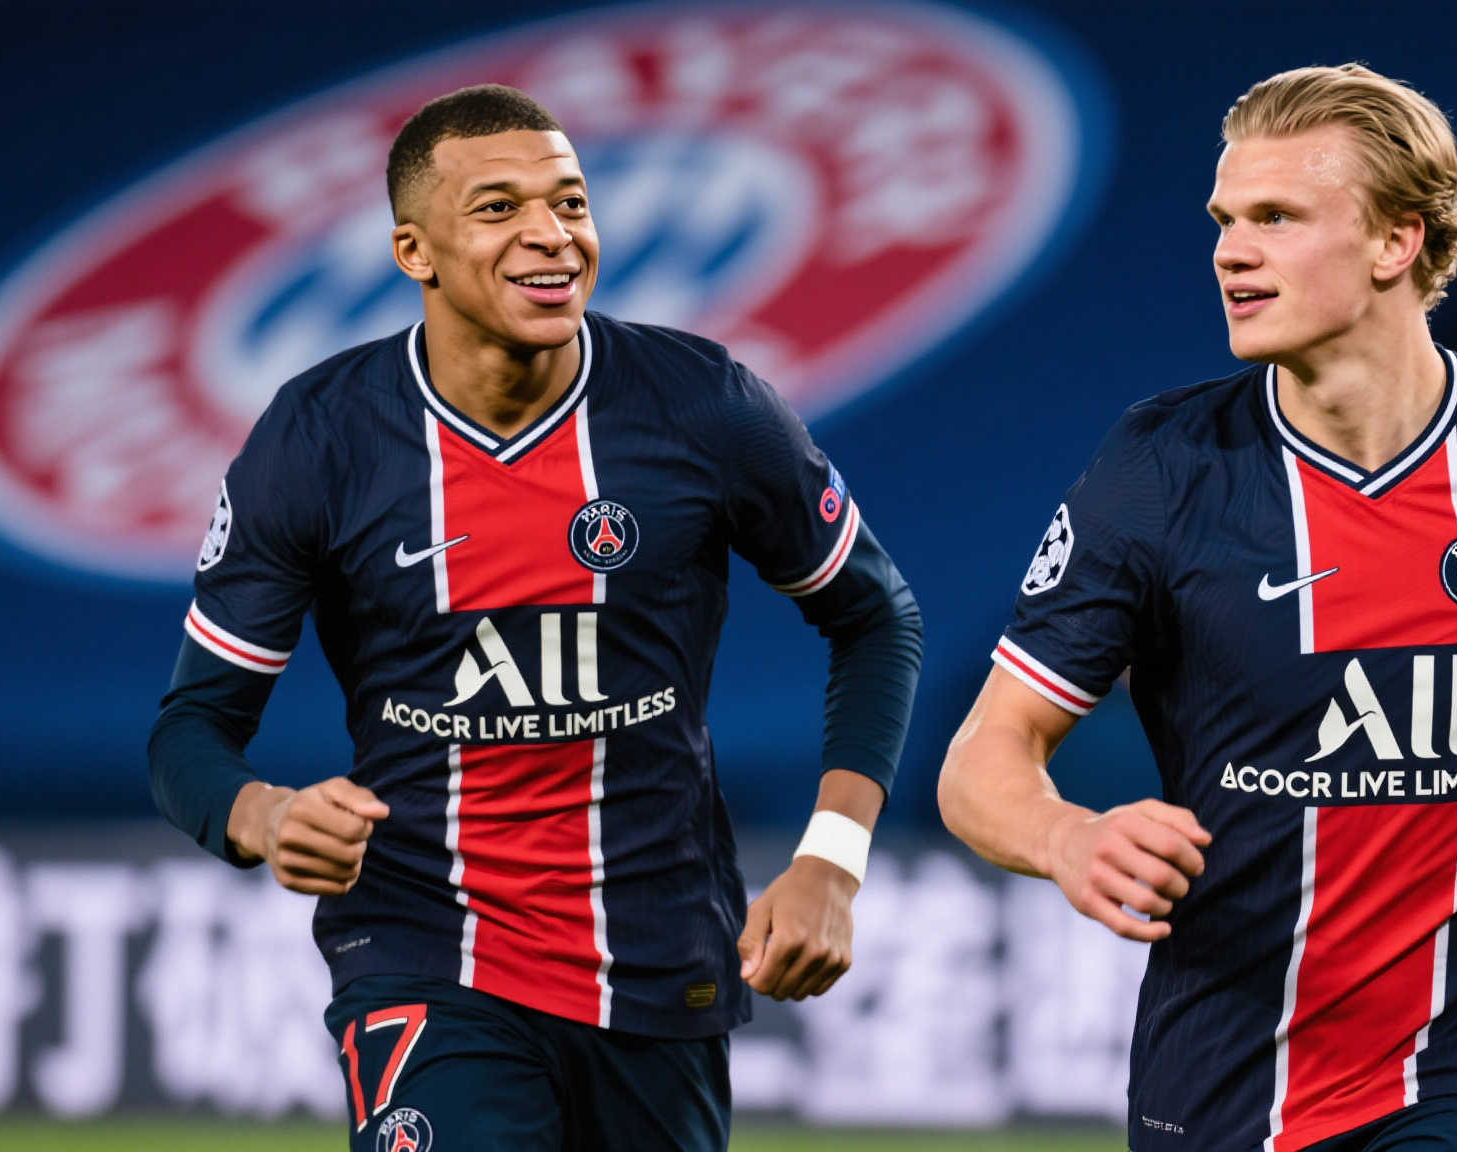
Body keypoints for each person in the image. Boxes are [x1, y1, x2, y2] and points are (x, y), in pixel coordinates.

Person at [938, 63, 1457, 1151]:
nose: (1230, 253)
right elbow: (982, 758)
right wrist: (1065, 835)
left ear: (1395, 242)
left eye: (1276, 218)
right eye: (1225, 221)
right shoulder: (1160, 474)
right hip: (1223, 1076)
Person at [148, 84, 921, 1152]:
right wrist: (262, 816)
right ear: (414, 252)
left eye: (570, 202)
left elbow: (876, 619)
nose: (552, 234)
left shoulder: (705, 406)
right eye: (499, 208)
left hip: (657, 960)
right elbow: (191, 730)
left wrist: (831, 858)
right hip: (425, 948)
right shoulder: (319, 441)